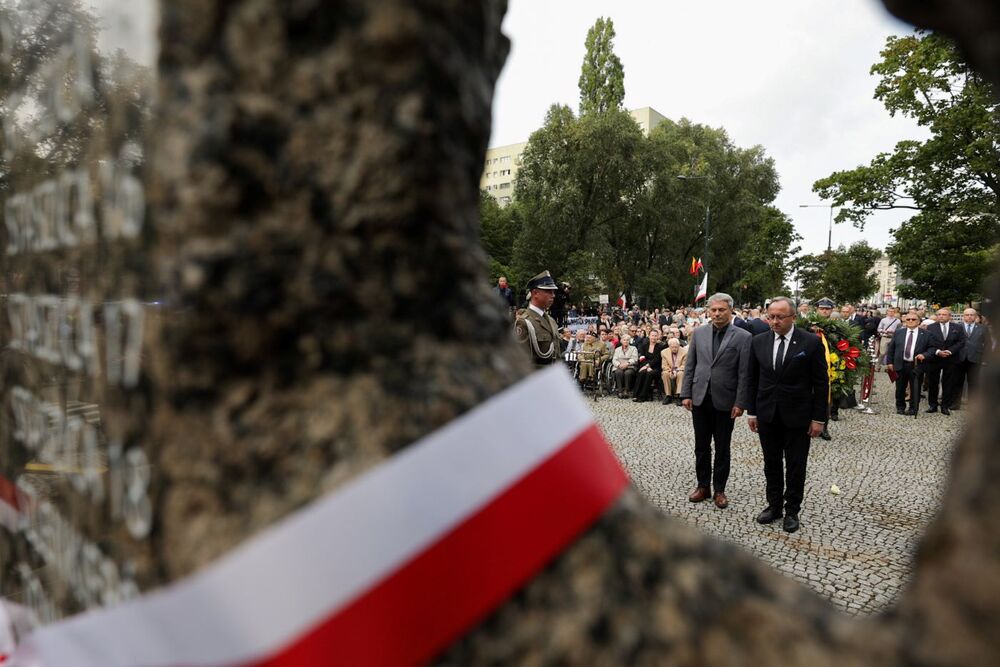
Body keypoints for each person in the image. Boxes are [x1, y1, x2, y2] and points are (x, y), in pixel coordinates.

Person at [747, 296, 828, 533]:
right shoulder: (758, 341)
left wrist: (819, 418)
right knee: (771, 463)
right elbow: (753, 379)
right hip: (767, 414)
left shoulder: (811, 342)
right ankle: (774, 506)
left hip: (798, 415)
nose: (775, 321)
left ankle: (792, 510)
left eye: (780, 317)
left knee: (795, 465)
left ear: (793, 317)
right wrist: (752, 412)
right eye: (771, 316)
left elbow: (821, 383)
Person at [679, 293, 752, 510]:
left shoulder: (743, 337)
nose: (717, 313)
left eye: (721, 310)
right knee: (701, 446)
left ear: (731, 311)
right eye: (713, 310)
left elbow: (744, 373)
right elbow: (691, 365)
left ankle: (719, 489)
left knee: (722, 447)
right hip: (700, 398)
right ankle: (703, 486)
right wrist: (686, 393)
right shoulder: (699, 333)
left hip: (726, 401)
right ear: (708, 311)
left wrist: (740, 402)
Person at [885, 312, 931, 414]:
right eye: (908, 319)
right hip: (900, 364)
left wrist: (925, 355)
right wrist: (890, 362)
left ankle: (913, 408)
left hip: (916, 365)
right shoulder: (898, 332)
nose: (910, 321)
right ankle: (900, 407)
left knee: (915, 388)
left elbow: (932, 348)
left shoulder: (926, 334)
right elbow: (891, 348)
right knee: (900, 387)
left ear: (918, 321)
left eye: (913, 319)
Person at [513, 271, 560, 367]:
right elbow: (521, 362)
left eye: (553, 292)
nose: (553, 295)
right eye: (548, 291)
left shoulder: (551, 320)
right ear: (535, 293)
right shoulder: (524, 322)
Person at [925, 307, 965, 415]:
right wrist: (937, 351)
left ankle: (945, 406)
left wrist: (950, 351)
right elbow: (928, 342)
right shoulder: (930, 327)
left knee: (948, 383)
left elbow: (961, 342)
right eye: (939, 314)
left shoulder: (957, 327)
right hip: (935, 358)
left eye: (944, 314)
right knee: (933, 382)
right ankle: (933, 405)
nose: (941, 316)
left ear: (949, 316)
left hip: (951, 358)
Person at [955, 307, 990, 404]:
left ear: (976, 316)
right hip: (959, 358)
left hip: (975, 358)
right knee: (957, 381)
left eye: (972, 315)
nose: (969, 316)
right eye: (967, 315)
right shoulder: (957, 327)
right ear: (963, 316)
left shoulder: (983, 328)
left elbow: (988, 344)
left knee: (974, 383)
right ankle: (956, 403)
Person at [633, 330, 665, 402]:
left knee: (649, 374)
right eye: (652, 335)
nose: (654, 337)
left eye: (655, 336)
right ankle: (636, 394)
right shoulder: (644, 345)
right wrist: (646, 366)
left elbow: (657, 359)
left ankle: (643, 396)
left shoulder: (661, 346)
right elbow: (642, 357)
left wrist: (648, 366)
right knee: (641, 372)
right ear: (649, 336)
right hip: (645, 365)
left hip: (656, 367)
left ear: (658, 337)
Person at [661, 337, 687, 405]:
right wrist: (671, 371)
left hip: (680, 369)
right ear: (669, 346)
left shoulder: (685, 352)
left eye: (676, 347)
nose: (674, 349)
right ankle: (668, 395)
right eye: (672, 347)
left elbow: (685, 365)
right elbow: (664, 366)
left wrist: (676, 370)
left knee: (681, 374)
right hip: (669, 370)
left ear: (679, 345)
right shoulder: (664, 352)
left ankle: (679, 395)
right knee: (664, 373)